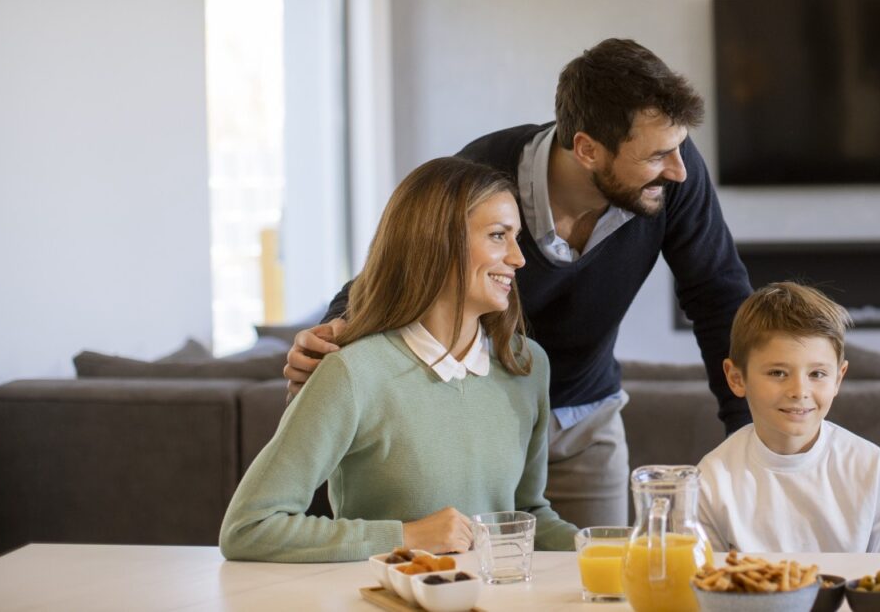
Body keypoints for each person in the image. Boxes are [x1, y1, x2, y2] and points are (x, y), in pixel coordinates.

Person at [283, 39, 753, 529]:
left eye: (679, 148)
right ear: (588, 149)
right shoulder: (483, 173)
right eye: (658, 155)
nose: (679, 168)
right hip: (477, 414)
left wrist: (748, 435)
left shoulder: (673, 176)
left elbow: (718, 295)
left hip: (586, 419)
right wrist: (331, 332)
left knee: (594, 585)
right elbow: (397, 263)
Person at [220, 157, 577, 562]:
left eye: (516, 238)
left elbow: (526, 513)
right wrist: (406, 536)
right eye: (498, 236)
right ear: (437, 241)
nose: (518, 258)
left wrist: (605, 548)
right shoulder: (352, 373)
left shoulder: (527, 366)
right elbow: (249, 527)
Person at [695, 282, 880, 553]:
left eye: (817, 374)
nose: (799, 391)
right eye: (778, 373)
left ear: (838, 378)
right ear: (737, 378)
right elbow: (704, 586)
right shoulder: (711, 480)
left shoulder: (872, 469)